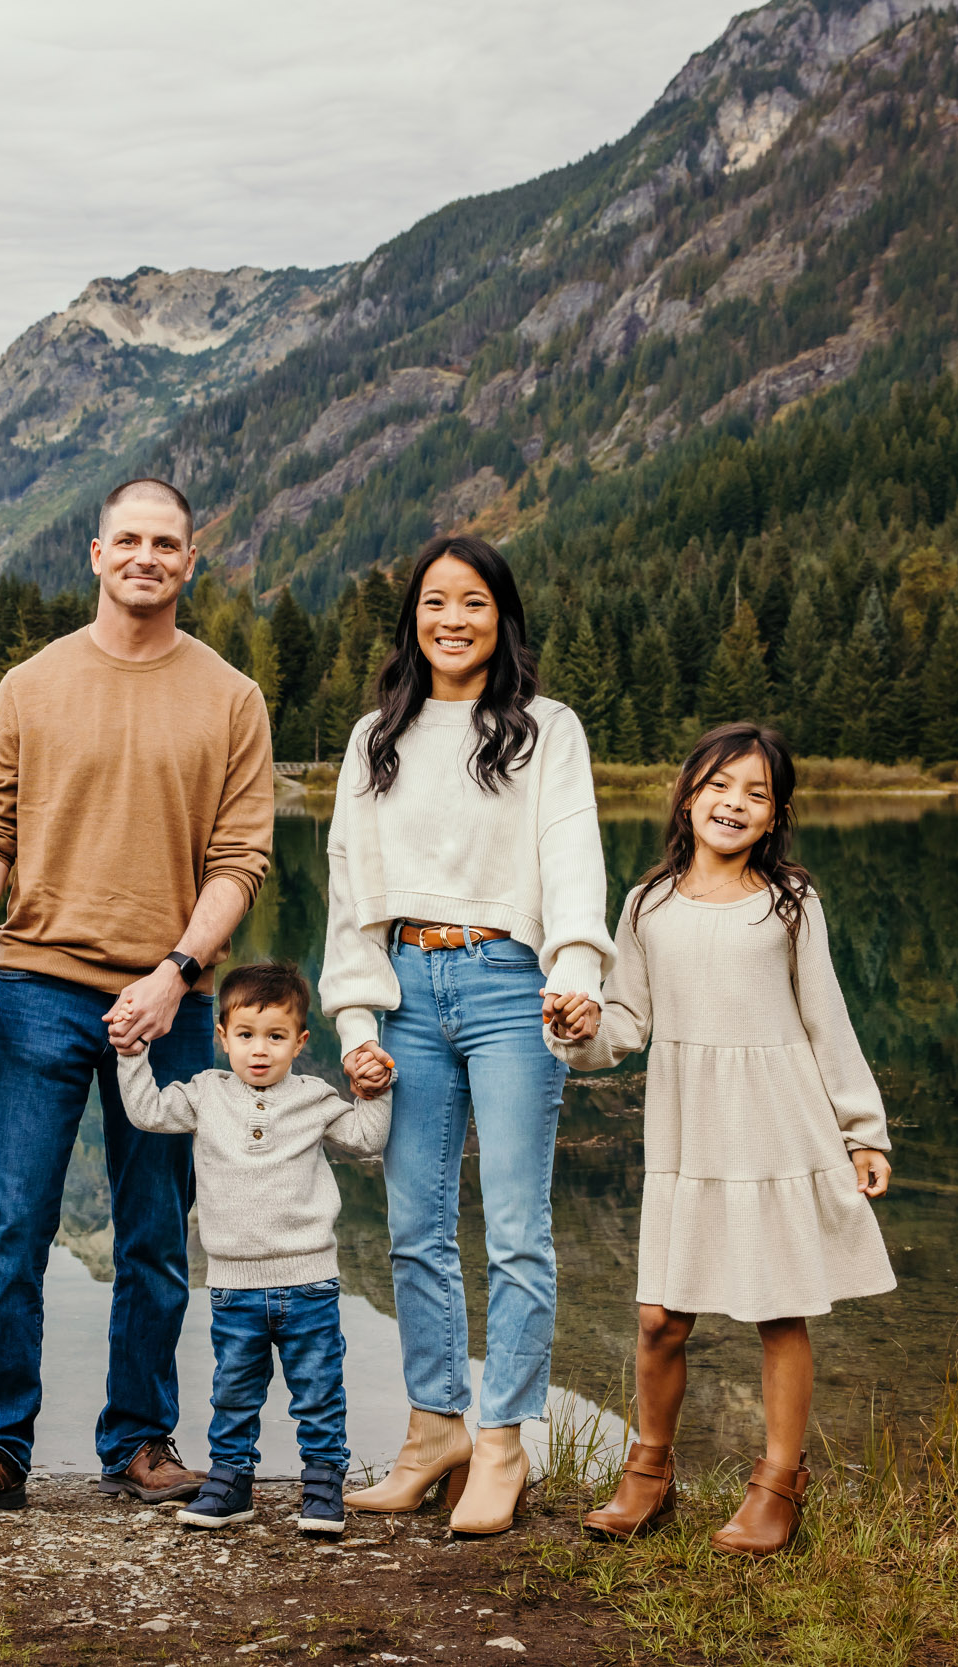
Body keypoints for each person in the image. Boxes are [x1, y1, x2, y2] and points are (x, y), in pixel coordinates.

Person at [0, 477, 275, 1520]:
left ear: (190, 561)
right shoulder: (31, 683)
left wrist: (177, 973)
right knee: (10, 1225)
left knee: (156, 1232)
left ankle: (139, 1442)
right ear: (96, 551)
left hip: (170, 1003)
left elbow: (240, 860)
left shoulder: (230, 696)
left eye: (168, 542)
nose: (147, 556)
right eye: (130, 539)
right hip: (34, 990)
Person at [322, 535, 613, 1538]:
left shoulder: (545, 732)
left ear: (503, 618)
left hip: (508, 985)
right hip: (403, 984)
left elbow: (573, 859)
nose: (452, 619)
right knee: (412, 1226)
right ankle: (432, 1428)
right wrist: (356, 1016)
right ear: (412, 616)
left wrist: (576, 972)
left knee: (519, 1228)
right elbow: (348, 890)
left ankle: (502, 1439)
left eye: (474, 602)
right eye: (435, 601)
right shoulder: (374, 739)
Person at [573, 722, 895, 1556]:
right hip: (686, 1129)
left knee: (778, 1311)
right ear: (688, 794)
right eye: (720, 785)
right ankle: (649, 1474)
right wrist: (579, 1029)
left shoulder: (791, 901)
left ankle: (777, 1485)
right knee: (657, 1317)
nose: (734, 803)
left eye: (755, 793)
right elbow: (625, 1024)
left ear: (775, 814)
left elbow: (829, 1019)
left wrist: (863, 1130)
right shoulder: (646, 903)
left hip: (778, 1121)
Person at [113, 962, 388, 1538]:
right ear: (223, 1037)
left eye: (275, 1036)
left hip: (309, 1281)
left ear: (299, 1041)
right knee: (233, 1392)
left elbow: (366, 1140)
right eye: (245, 1036)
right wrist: (132, 1054)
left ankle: (321, 1488)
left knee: (317, 1390)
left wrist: (373, 1093)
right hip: (233, 1285)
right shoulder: (204, 1094)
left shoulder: (314, 1098)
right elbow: (146, 1111)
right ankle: (231, 1483)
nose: (259, 1050)